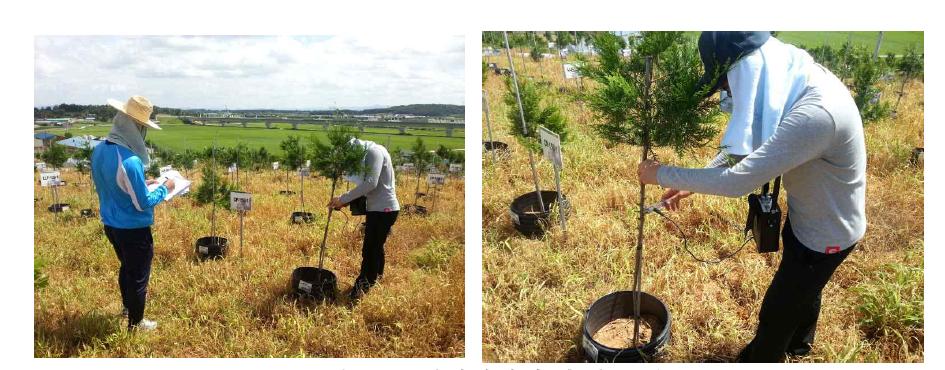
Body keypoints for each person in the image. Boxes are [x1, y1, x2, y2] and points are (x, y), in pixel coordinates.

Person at [637, 32, 866, 362]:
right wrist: (692, 182)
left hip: (827, 235)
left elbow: (737, 181)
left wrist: (659, 174)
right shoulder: (791, 80)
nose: (727, 92)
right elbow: (750, 148)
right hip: (808, 219)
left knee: (777, 311)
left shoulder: (816, 113)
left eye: (726, 83)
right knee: (804, 289)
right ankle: (800, 346)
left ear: (748, 70)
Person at [91, 96, 174, 331]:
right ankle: (136, 325)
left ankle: (127, 308)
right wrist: (164, 188)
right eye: (142, 127)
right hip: (134, 231)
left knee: (126, 267)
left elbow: (111, 183)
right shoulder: (130, 161)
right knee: (138, 276)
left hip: (111, 225)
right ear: (135, 127)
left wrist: (141, 182)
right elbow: (143, 203)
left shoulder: (100, 150)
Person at [328, 138, 400, 301]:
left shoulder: (374, 152)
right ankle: (377, 277)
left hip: (384, 210)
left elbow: (370, 183)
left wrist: (345, 198)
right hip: (378, 209)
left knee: (370, 250)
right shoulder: (371, 152)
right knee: (376, 246)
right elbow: (366, 188)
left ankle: (362, 287)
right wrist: (344, 201)